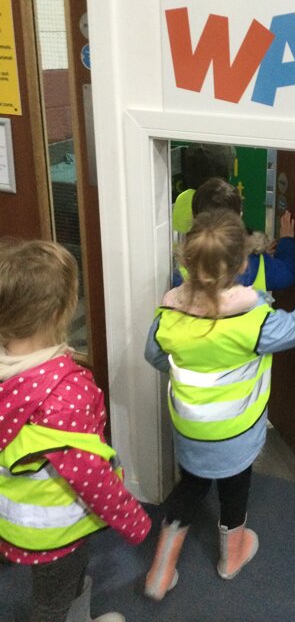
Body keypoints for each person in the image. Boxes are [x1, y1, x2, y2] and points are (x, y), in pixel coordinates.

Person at [143, 210, 295, 601]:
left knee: (190, 487)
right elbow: (293, 329)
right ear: (244, 263)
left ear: (186, 262)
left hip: (190, 428)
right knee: (234, 490)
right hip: (237, 433)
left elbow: (155, 357)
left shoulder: (168, 317)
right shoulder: (254, 321)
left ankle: (160, 571)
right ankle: (231, 559)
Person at [0, 239, 151, 622]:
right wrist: (132, 519)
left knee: (63, 584)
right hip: (55, 528)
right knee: (52, 602)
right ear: (61, 312)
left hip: (16, 515)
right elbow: (89, 474)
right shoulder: (65, 394)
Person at [171, 177, 295, 292]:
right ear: (240, 215)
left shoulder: (183, 269)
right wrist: (286, 242)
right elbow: (287, 274)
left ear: (194, 217)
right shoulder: (255, 264)